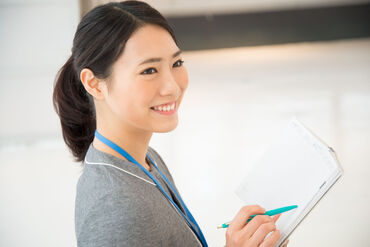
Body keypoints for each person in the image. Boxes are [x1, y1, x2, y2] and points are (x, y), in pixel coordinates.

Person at [52, 1, 290, 246]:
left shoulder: (144, 159)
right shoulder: (115, 206)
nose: (172, 87)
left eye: (176, 64)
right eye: (149, 70)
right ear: (93, 84)